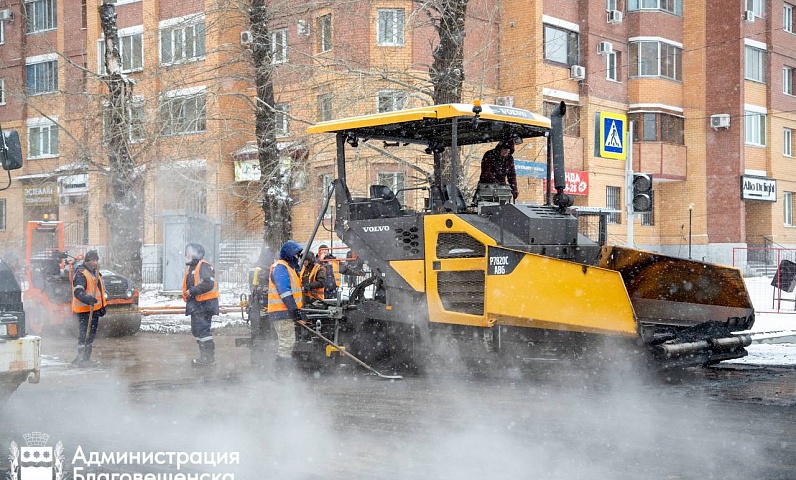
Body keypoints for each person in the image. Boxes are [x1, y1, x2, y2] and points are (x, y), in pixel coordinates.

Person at [267, 240, 304, 373]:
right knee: (286, 343)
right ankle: (281, 373)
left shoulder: (287, 268)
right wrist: (294, 309)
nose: (297, 257)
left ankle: (282, 372)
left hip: (283, 312)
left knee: (287, 343)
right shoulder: (281, 267)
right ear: (289, 255)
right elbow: (285, 291)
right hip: (282, 312)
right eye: (296, 254)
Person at [182, 243, 220, 366]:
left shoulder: (203, 266)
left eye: (190, 251)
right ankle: (204, 357)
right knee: (197, 331)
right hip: (197, 305)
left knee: (203, 331)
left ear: (197, 253)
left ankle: (208, 359)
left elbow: (208, 284)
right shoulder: (192, 268)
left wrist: (192, 291)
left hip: (204, 305)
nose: (187, 254)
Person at [71, 250, 107, 367]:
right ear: (87, 261)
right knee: (84, 335)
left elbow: (99, 292)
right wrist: (88, 299)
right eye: (93, 260)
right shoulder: (81, 274)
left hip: (94, 310)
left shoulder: (95, 273)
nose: (95, 262)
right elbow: (78, 292)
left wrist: (102, 307)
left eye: (96, 260)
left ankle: (86, 358)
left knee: (90, 335)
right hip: (84, 311)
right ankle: (81, 358)